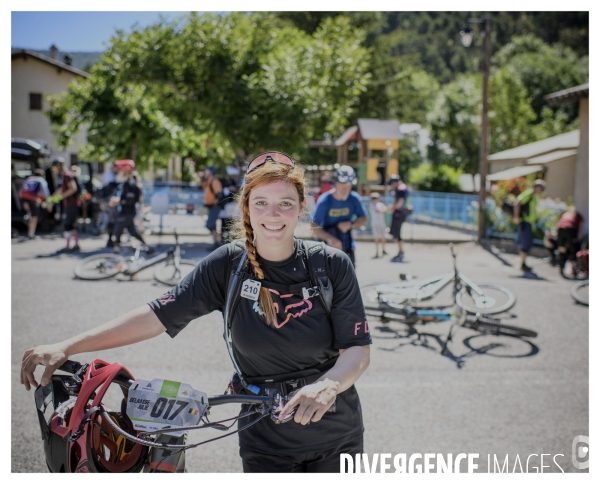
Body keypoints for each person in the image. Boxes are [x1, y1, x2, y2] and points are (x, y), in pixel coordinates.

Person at [21, 151, 371, 473]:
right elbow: (156, 315)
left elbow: (357, 350)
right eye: (261, 202)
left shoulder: (331, 266)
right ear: (246, 207)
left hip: (338, 440)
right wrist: (68, 346)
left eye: (285, 203)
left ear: (302, 206)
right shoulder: (228, 265)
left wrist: (327, 385)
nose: (274, 215)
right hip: (266, 443)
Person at [311, 165, 368, 268]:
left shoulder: (354, 198)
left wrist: (351, 224)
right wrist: (330, 239)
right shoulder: (325, 200)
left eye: (348, 185)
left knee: (348, 280)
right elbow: (314, 226)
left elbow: (364, 219)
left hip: (347, 246)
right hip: (326, 246)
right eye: (341, 184)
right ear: (335, 183)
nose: (344, 189)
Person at [111, 161, 151, 254]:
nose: (118, 171)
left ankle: (116, 248)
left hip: (128, 212)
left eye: (120, 169)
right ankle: (146, 246)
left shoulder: (130, 184)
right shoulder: (126, 183)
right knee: (132, 231)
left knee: (118, 228)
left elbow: (130, 200)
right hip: (128, 211)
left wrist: (118, 201)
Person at [48, 158, 81, 252]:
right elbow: (60, 190)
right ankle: (75, 244)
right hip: (69, 204)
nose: (54, 170)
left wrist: (60, 197)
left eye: (55, 168)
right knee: (70, 225)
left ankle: (69, 246)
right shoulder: (64, 176)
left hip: (72, 204)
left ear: (59, 166)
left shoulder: (67, 175)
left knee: (68, 225)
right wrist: (51, 199)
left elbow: (73, 189)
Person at [513, 179, 546, 272]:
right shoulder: (529, 194)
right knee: (525, 243)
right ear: (536, 187)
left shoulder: (534, 196)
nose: (542, 191)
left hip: (529, 222)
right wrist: (516, 216)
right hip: (525, 222)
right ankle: (522, 264)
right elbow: (517, 202)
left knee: (527, 243)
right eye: (541, 188)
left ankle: (523, 263)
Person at [19, 169, 51, 239]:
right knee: (34, 217)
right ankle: (31, 234)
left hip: (24, 198)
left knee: (30, 214)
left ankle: (27, 218)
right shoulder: (41, 180)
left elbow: (21, 191)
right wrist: (49, 203)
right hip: (33, 199)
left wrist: (23, 201)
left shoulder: (29, 179)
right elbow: (46, 193)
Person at [387, 175, 410, 262]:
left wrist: (390, 208)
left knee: (397, 234)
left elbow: (399, 203)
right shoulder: (402, 189)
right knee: (395, 234)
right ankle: (400, 251)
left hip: (399, 214)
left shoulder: (401, 189)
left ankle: (401, 252)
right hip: (399, 213)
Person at [554, 210, 584, 278]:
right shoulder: (578, 215)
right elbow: (580, 228)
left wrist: (557, 235)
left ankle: (561, 268)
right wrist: (578, 239)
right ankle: (573, 270)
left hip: (561, 230)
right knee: (573, 251)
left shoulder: (564, 214)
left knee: (561, 250)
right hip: (570, 231)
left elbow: (558, 225)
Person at [201, 166, 224, 250]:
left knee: (210, 225)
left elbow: (219, 194)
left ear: (210, 172)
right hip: (211, 206)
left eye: (206, 171)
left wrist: (214, 202)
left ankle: (218, 242)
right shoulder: (208, 181)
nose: (205, 172)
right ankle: (216, 243)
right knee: (212, 226)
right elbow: (200, 186)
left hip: (215, 207)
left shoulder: (215, 181)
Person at [369, 192, 388, 258]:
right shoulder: (372, 206)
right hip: (375, 224)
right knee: (376, 238)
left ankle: (383, 249)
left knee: (383, 237)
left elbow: (386, 209)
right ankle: (377, 251)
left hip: (381, 223)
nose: (375, 200)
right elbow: (379, 211)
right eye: (373, 198)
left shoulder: (380, 204)